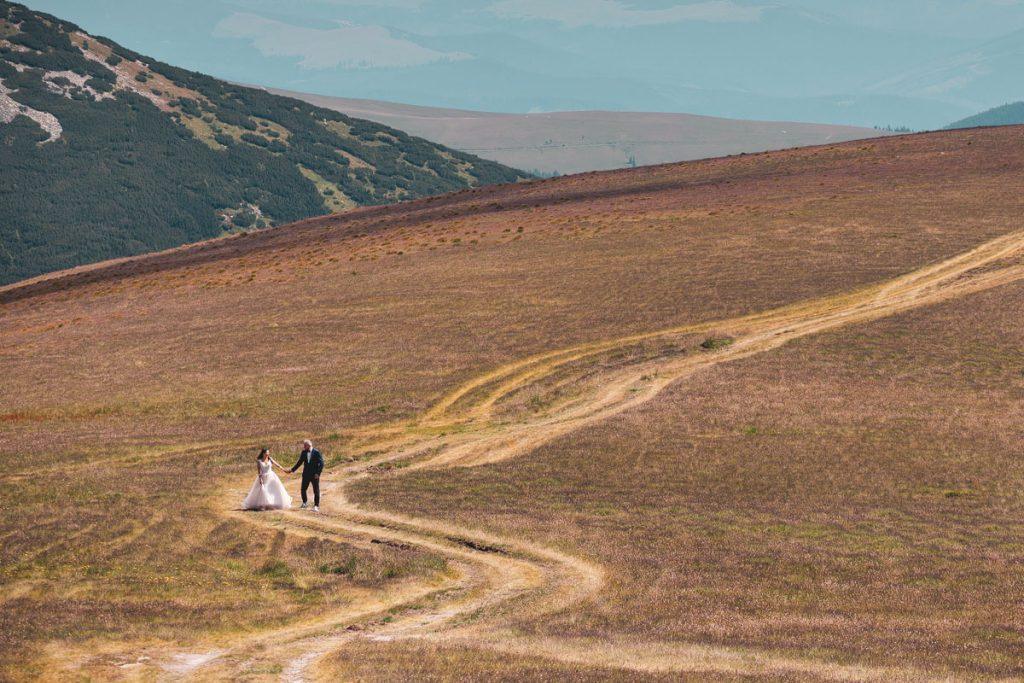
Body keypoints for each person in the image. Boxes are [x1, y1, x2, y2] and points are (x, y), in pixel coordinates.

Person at [289, 439, 324, 512]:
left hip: (314, 475)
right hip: (306, 475)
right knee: (303, 489)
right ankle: (304, 503)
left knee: (316, 490)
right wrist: (292, 470)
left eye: (305, 446)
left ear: (309, 445)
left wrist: (318, 473)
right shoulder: (303, 452)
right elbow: (299, 462)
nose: (304, 447)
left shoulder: (316, 452)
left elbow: (321, 463)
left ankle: (316, 506)